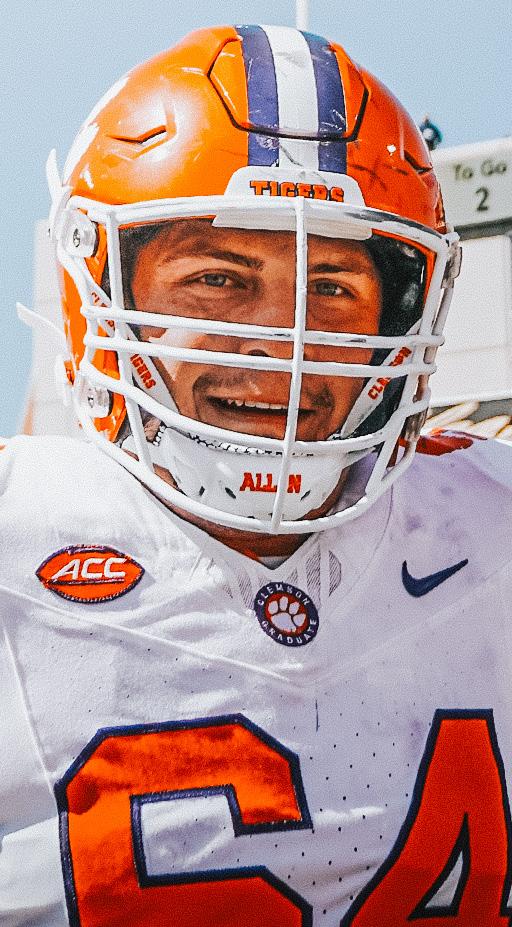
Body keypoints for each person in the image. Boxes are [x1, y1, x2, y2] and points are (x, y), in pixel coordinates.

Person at [1, 23, 512, 927]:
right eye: (217, 278)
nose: (280, 340)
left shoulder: (491, 522)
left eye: (334, 287)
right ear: (102, 290)